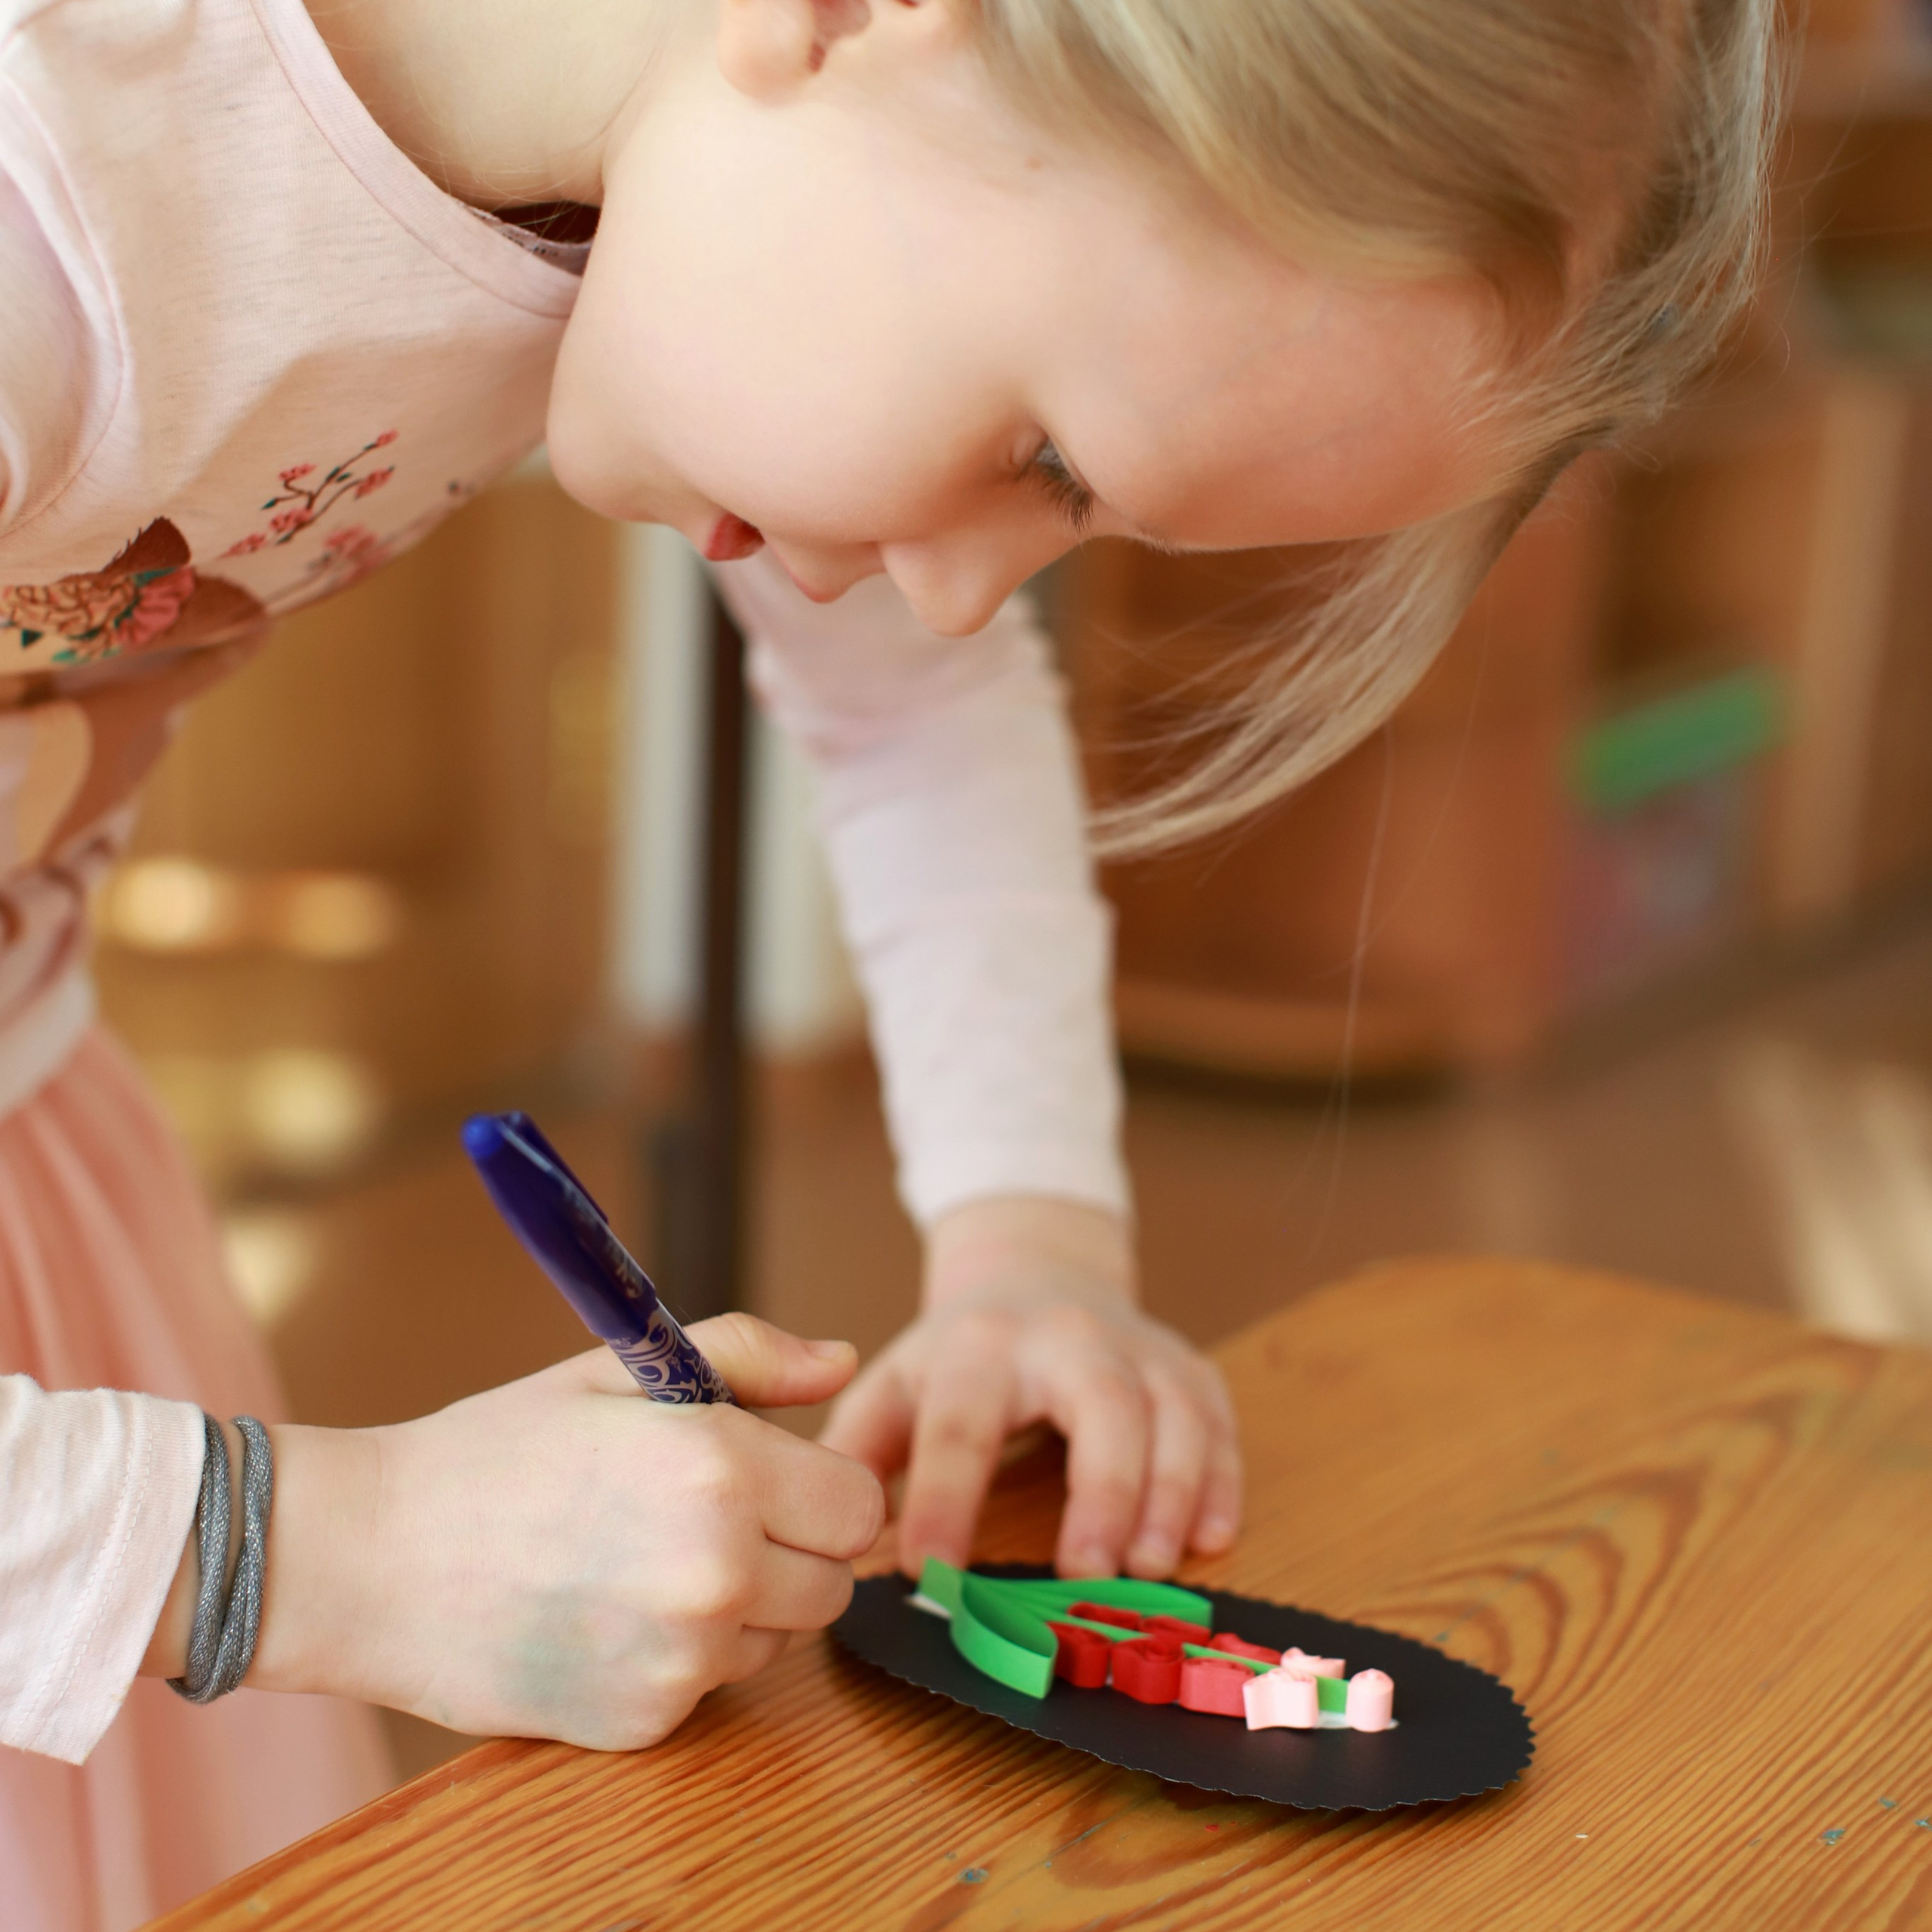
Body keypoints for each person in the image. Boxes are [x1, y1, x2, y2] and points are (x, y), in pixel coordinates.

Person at [0, 0, 1777, 1922]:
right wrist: (315, 1552)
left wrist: (1031, 1245)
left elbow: (924, 719)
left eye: (1061, 518)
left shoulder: (702, 164)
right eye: (1041, 452)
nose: (953, 586)